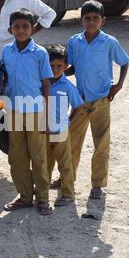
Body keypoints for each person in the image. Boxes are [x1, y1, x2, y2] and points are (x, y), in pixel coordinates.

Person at [65, 0, 129, 199]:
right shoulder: (74, 42)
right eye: (87, 18)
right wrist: (56, 75)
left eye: (95, 18)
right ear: (81, 20)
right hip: (80, 101)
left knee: (101, 143)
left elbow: (125, 61)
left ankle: (97, 185)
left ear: (103, 20)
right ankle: (68, 180)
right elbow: (73, 67)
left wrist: (118, 85)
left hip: (102, 100)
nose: (91, 22)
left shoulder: (109, 42)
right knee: (70, 140)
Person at [0, 9, 54, 216]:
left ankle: (43, 198)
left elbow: (46, 83)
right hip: (13, 110)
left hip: (35, 110)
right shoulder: (6, 50)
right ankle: (24, 197)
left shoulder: (40, 53)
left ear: (33, 29)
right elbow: (3, 77)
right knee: (17, 156)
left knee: (38, 156)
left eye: (25, 26)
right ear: (10, 29)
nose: (21, 30)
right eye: (17, 27)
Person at [45, 45, 83, 206]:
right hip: (43, 131)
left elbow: (78, 106)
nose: (55, 69)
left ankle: (68, 194)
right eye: (51, 66)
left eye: (59, 66)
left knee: (65, 164)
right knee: (44, 163)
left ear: (66, 67)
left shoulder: (67, 86)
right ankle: (42, 193)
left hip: (60, 130)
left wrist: (68, 122)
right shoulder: (41, 84)